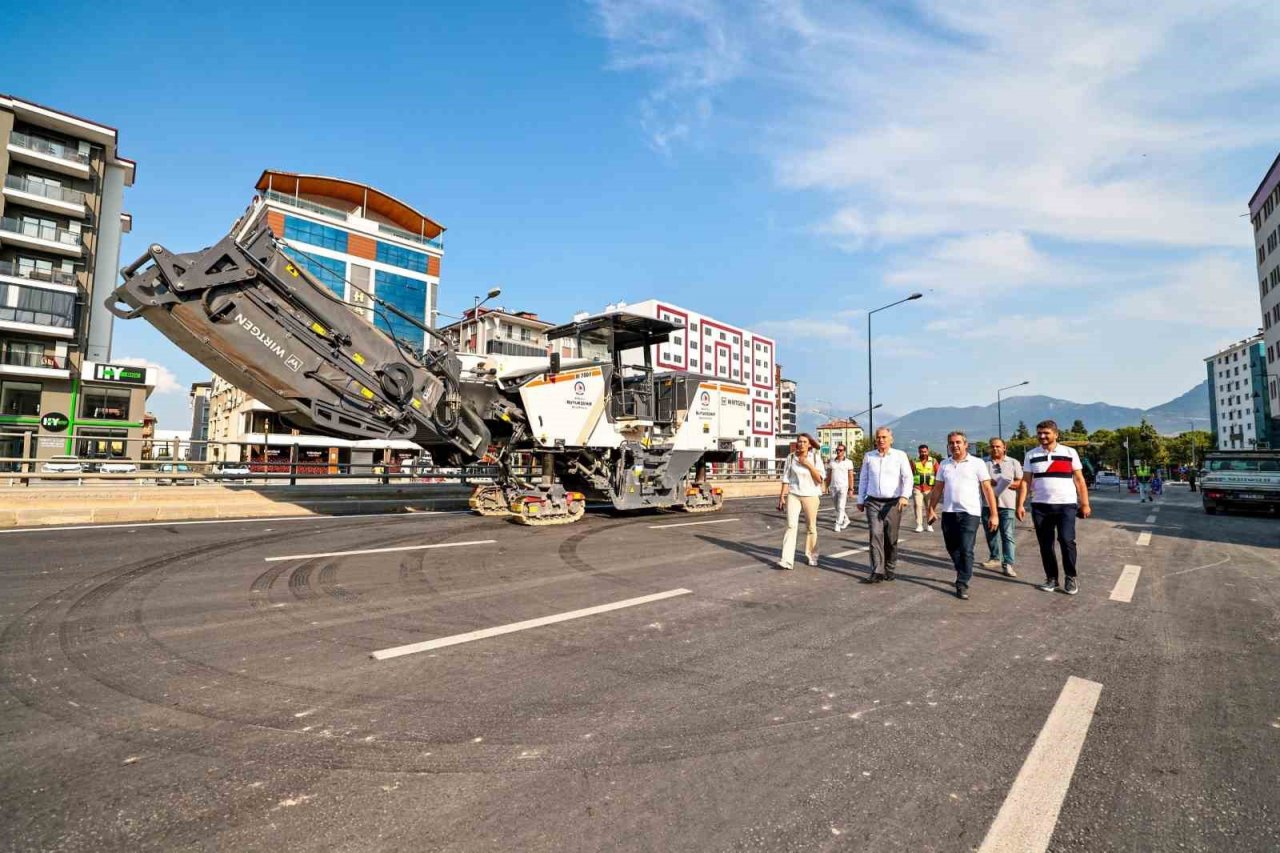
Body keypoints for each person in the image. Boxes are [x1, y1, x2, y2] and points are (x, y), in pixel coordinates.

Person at [1016, 420, 1092, 595]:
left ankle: (1070, 577)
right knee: (1045, 544)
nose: (1042, 436)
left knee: (1067, 541)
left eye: (1046, 433)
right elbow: (1026, 481)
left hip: (1066, 505)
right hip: (1040, 506)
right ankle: (1051, 578)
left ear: (1056, 434)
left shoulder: (1069, 452)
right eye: (1039, 433)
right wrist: (1020, 504)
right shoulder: (1031, 455)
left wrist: (1085, 503)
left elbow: (1079, 480)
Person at [926, 432, 999, 600]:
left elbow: (987, 489)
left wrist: (994, 514)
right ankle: (963, 570)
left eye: (958, 442)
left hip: (970, 513)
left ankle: (962, 582)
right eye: (951, 443)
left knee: (966, 548)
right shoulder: (945, 464)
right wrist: (931, 509)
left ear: (965, 444)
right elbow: (937, 489)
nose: (955, 445)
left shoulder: (977, 463)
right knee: (952, 548)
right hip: (949, 512)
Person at [856, 427, 914, 583]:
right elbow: (863, 479)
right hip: (873, 502)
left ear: (891, 439)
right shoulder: (869, 456)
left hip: (893, 503)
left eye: (884, 437)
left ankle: (890, 567)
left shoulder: (899, 456)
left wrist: (904, 496)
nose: (881, 440)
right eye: (878, 437)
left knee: (890, 538)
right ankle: (877, 571)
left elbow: (908, 478)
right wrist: (860, 499)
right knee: (875, 535)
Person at [777, 433, 825, 569]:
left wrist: (808, 464)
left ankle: (812, 555)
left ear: (809, 444)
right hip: (794, 494)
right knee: (791, 526)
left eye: (804, 442)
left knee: (811, 527)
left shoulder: (815, 457)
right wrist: (782, 496)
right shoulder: (791, 457)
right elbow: (786, 478)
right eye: (799, 441)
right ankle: (786, 560)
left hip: (811, 495)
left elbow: (819, 479)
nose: (801, 444)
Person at [981, 438, 1024, 577]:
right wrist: (990, 483)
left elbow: (1020, 482)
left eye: (998, 446)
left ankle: (1008, 564)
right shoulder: (983, 463)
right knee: (991, 533)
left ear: (1004, 447)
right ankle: (994, 558)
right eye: (992, 447)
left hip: (1007, 504)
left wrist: (1006, 484)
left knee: (1007, 535)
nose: (995, 449)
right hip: (988, 504)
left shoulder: (1013, 462)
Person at [826, 443, 855, 531]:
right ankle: (846, 520)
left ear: (844, 452)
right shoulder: (832, 462)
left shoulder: (849, 462)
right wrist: (826, 486)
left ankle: (838, 524)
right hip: (833, 487)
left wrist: (851, 489)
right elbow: (829, 475)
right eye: (837, 450)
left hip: (843, 487)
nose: (838, 451)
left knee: (841, 506)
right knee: (837, 507)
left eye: (841, 450)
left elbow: (851, 476)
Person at [911, 444, 938, 533]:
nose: (923, 453)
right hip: (917, 487)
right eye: (921, 452)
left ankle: (929, 524)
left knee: (930, 507)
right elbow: (909, 474)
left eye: (925, 452)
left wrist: (937, 487)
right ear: (919, 452)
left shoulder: (933, 461)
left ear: (928, 451)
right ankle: (919, 525)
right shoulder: (914, 461)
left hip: (930, 488)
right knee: (918, 506)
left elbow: (938, 473)